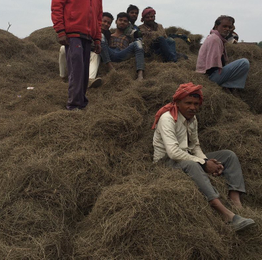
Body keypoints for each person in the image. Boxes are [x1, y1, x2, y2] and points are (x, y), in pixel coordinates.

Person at [152, 82, 255, 232]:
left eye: (196, 104)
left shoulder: (192, 119)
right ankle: (225, 213)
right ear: (178, 102)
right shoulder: (167, 119)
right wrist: (202, 163)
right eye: (188, 103)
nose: (193, 107)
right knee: (192, 164)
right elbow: (173, 153)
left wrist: (207, 161)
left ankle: (236, 203)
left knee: (229, 156)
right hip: (166, 162)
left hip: (186, 157)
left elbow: (195, 146)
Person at [51, 0, 103, 110]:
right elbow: (57, 5)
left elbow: (98, 16)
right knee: (77, 70)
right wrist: (60, 30)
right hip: (72, 34)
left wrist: (97, 38)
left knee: (85, 72)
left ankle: (82, 102)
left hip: (88, 36)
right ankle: (73, 105)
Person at [58, 12, 113, 88]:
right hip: (78, 50)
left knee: (96, 55)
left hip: (90, 54)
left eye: (109, 23)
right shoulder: (88, 27)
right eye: (104, 21)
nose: (106, 24)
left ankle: (90, 79)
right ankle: (63, 76)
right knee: (63, 49)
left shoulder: (108, 35)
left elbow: (104, 50)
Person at [196, 16, 249, 90]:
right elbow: (212, 67)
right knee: (244, 62)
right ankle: (230, 86)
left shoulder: (218, 38)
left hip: (210, 74)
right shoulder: (215, 39)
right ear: (216, 26)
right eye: (224, 26)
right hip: (209, 76)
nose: (227, 29)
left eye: (229, 27)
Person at [100, 12, 144, 80]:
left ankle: (140, 75)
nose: (122, 22)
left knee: (138, 43)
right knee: (100, 36)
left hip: (122, 53)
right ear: (116, 21)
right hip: (109, 53)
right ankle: (110, 68)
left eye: (125, 21)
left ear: (128, 24)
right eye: (120, 20)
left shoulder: (129, 36)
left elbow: (139, 40)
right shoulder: (108, 35)